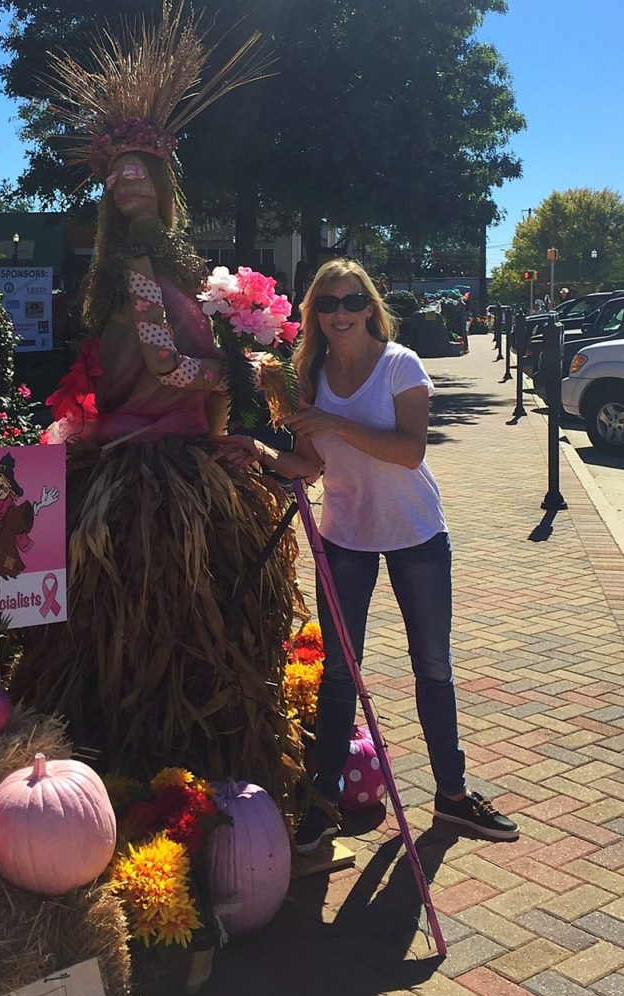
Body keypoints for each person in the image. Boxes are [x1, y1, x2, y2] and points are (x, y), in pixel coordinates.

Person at [9, 5, 307, 808]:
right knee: (159, 619)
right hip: (152, 465)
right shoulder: (141, 270)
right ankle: (147, 768)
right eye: (116, 175)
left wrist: (242, 359)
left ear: (160, 179)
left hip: (154, 460)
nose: (124, 181)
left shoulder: (152, 264)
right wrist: (244, 373)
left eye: (137, 169)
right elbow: (172, 368)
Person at [214, 258, 520, 847]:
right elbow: (312, 465)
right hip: (345, 534)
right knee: (338, 672)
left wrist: (335, 420)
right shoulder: (309, 376)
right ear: (313, 314)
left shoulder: (399, 365)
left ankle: (453, 796)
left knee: (432, 666)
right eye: (327, 304)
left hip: (416, 533)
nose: (340, 314)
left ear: (370, 307)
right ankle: (324, 801)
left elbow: (409, 452)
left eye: (352, 301)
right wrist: (258, 448)